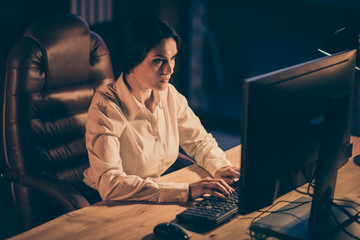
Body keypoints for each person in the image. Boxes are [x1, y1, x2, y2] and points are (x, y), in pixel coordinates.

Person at [83, 13, 240, 202]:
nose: (170, 69)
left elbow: (199, 142)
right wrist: (186, 191)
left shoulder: (168, 94)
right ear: (132, 60)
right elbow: (111, 184)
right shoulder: (105, 109)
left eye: (172, 58)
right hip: (113, 202)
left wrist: (221, 167)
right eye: (159, 60)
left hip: (160, 187)